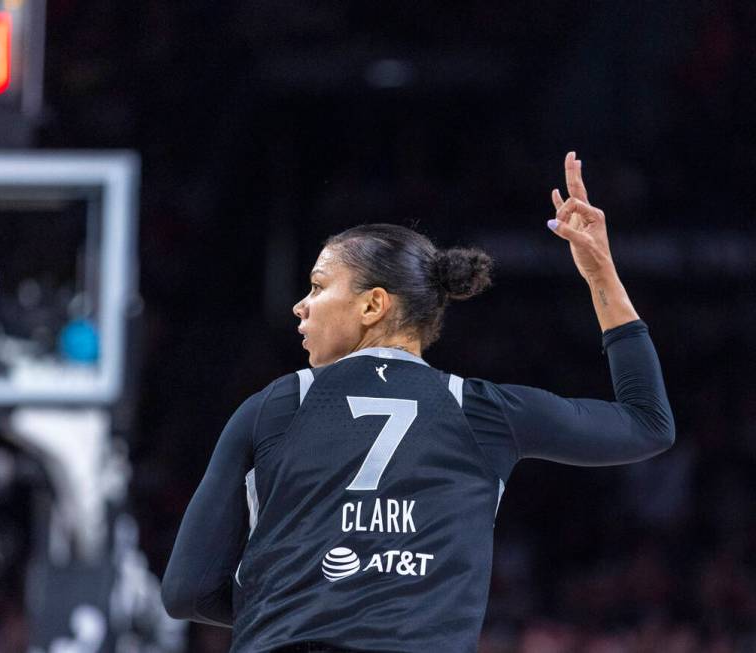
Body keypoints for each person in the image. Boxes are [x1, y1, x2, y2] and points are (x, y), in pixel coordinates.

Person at [162, 152, 675, 652]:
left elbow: (187, 590)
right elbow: (648, 423)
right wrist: (600, 273)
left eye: (317, 287)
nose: (301, 305)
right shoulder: (481, 411)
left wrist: (294, 609)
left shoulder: (274, 406)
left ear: (372, 305)